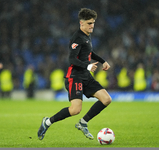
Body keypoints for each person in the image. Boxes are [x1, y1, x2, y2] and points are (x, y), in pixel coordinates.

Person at [38, 8, 112, 140]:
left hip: (86, 76)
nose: (92, 26)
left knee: (106, 99)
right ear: (81, 23)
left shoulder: (87, 36)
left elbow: (90, 52)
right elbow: (72, 59)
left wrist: (102, 61)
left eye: (93, 23)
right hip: (75, 77)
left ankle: (83, 123)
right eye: (89, 23)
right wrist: (88, 65)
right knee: (75, 109)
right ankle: (47, 122)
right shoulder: (77, 38)